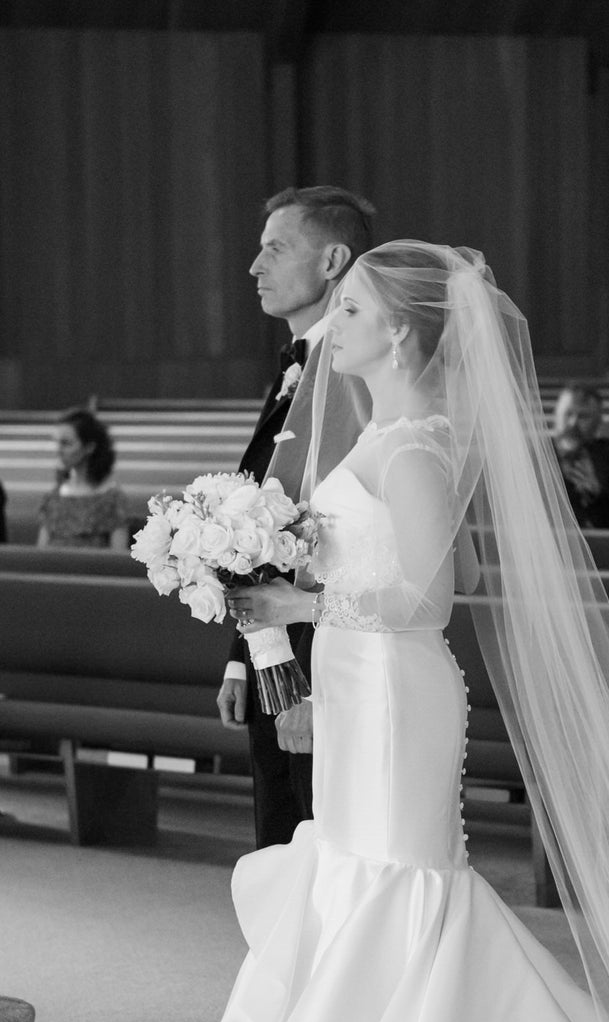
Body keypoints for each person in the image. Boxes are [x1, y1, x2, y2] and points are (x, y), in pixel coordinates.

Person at [221, 242, 609, 1022]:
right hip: (356, 679)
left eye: (355, 308)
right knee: (355, 858)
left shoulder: (410, 447)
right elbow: (461, 569)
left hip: (396, 694)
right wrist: (295, 556)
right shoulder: (391, 434)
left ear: (400, 333)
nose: (337, 322)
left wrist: (298, 608)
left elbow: (432, 602)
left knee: (395, 868)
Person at [216, 186, 376, 849]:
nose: (255, 268)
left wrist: (306, 685)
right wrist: (242, 656)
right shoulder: (296, 369)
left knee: (319, 842)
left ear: (333, 258)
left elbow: (347, 542)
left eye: (275, 249)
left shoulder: (358, 371)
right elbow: (265, 527)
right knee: (280, 842)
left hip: (324, 661)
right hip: (271, 654)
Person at [552, 383, 609, 528]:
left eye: (583, 416)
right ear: (556, 415)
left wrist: (598, 493)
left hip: (607, 542)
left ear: (599, 421)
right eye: (568, 414)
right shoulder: (533, 456)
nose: (573, 423)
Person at [37, 408, 130, 550]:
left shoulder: (113, 499)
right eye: (56, 442)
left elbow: (117, 561)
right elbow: (40, 556)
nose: (57, 450)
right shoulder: (52, 497)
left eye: (66, 443)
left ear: (89, 447)